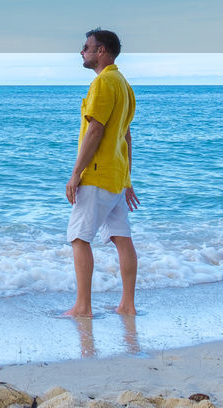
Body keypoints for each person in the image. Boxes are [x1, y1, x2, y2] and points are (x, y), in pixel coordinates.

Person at [65, 28, 140, 317]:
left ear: (101, 51)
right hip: (116, 178)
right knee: (122, 238)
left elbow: (95, 130)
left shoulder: (104, 82)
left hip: (97, 176)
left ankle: (83, 307)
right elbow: (126, 136)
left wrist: (75, 174)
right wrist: (127, 180)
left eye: (86, 47)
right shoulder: (124, 85)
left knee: (80, 239)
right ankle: (127, 305)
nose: (82, 52)